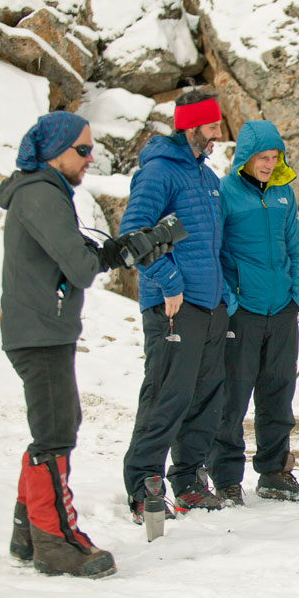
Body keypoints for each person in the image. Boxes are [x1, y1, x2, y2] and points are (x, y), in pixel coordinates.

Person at [0, 111, 126, 578]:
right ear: (54, 152)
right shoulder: (41, 194)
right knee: (54, 433)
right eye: (83, 150)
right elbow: (77, 267)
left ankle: (28, 532)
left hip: (41, 328)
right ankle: (57, 542)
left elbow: (70, 259)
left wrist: (112, 251)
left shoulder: (44, 192)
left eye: (91, 149)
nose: (89, 158)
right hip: (39, 331)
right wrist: (99, 257)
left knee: (55, 425)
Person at [120, 88, 232, 522]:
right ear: (190, 126)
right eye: (211, 126)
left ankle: (187, 481)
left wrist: (226, 295)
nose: (218, 133)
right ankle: (144, 484)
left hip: (209, 306)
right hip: (172, 305)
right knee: (167, 394)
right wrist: (168, 283)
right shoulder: (159, 173)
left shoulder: (207, 178)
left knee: (205, 397)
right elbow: (133, 235)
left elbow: (214, 245)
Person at [206, 120, 299, 505]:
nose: (268, 164)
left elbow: (296, 247)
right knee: (233, 397)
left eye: (274, 157)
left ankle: (274, 472)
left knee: (278, 393)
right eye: (262, 158)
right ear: (244, 159)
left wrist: (296, 294)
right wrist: (229, 301)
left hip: (281, 309)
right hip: (243, 311)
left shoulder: (284, 191)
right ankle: (226, 477)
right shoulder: (225, 192)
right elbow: (215, 249)